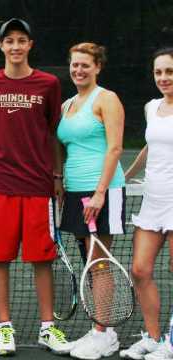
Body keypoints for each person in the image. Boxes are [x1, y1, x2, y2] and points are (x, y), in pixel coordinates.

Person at [0, 18, 73, 356]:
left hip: (38, 187)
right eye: (9, 41)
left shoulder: (48, 84)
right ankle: (4, 329)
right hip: (1, 186)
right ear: (1, 46)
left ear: (30, 45)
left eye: (21, 40)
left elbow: (53, 134)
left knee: (41, 260)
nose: (15, 46)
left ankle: (48, 328)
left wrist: (57, 177)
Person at [55, 42, 126, 360]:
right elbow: (63, 146)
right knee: (90, 262)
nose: (78, 70)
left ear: (97, 67)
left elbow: (114, 148)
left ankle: (105, 333)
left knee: (99, 261)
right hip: (75, 191)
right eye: (74, 64)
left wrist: (99, 193)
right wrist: (59, 181)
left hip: (103, 191)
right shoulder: (68, 104)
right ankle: (98, 328)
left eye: (85, 64)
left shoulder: (107, 99)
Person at [119, 47, 173, 360]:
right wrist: (123, 177)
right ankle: (153, 338)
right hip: (153, 200)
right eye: (159, 72)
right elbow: (150, 148)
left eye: (169, 72)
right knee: (140, 269)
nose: (164, 78)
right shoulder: (151, 107)